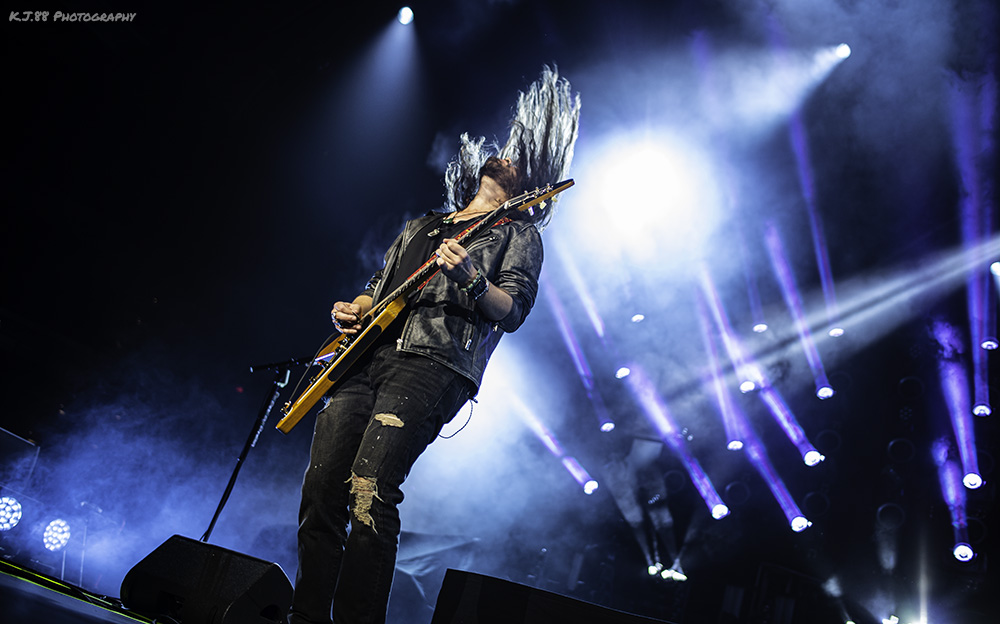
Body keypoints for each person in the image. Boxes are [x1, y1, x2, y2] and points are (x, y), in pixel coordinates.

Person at [288, 66, 580, 624]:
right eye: (501, 152)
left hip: (433, 363)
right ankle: (305, 617)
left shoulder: (518, 234)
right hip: (364, 359)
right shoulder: (422, 225)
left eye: (517, 159)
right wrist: (354, 308)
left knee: (370, 487)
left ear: (531, 184)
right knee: (321, 489)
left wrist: (473, 277)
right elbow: (377, 288)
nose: (504, 155)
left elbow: (513, 310)